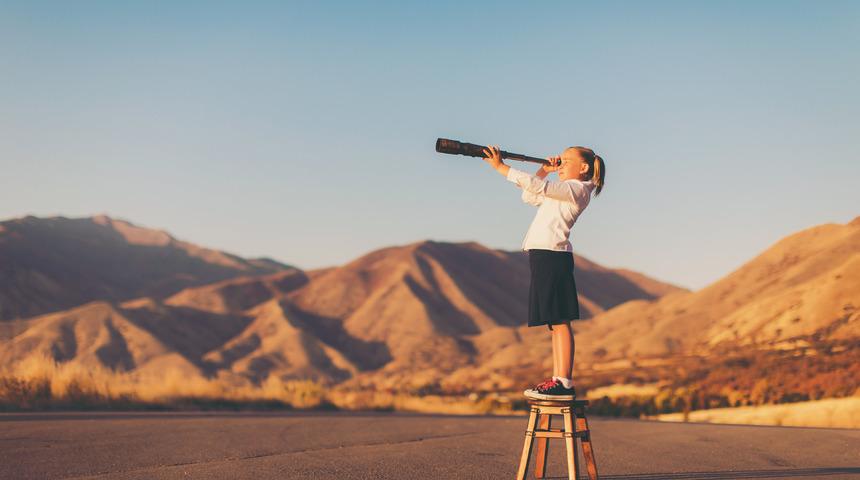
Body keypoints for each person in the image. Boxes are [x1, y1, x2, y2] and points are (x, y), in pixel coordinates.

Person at [482, 144, 605, 400]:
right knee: (555, 322)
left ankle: (564, 381)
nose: (559, 163)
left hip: (553, 256)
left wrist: (501, 168)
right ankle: (559, 378)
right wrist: (543, 170)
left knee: (560, 320)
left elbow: (539, 188)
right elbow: (530, 195)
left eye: (565, 160)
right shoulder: (564, 191)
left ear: (583, 168)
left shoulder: (577, 189)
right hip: (544, 255)